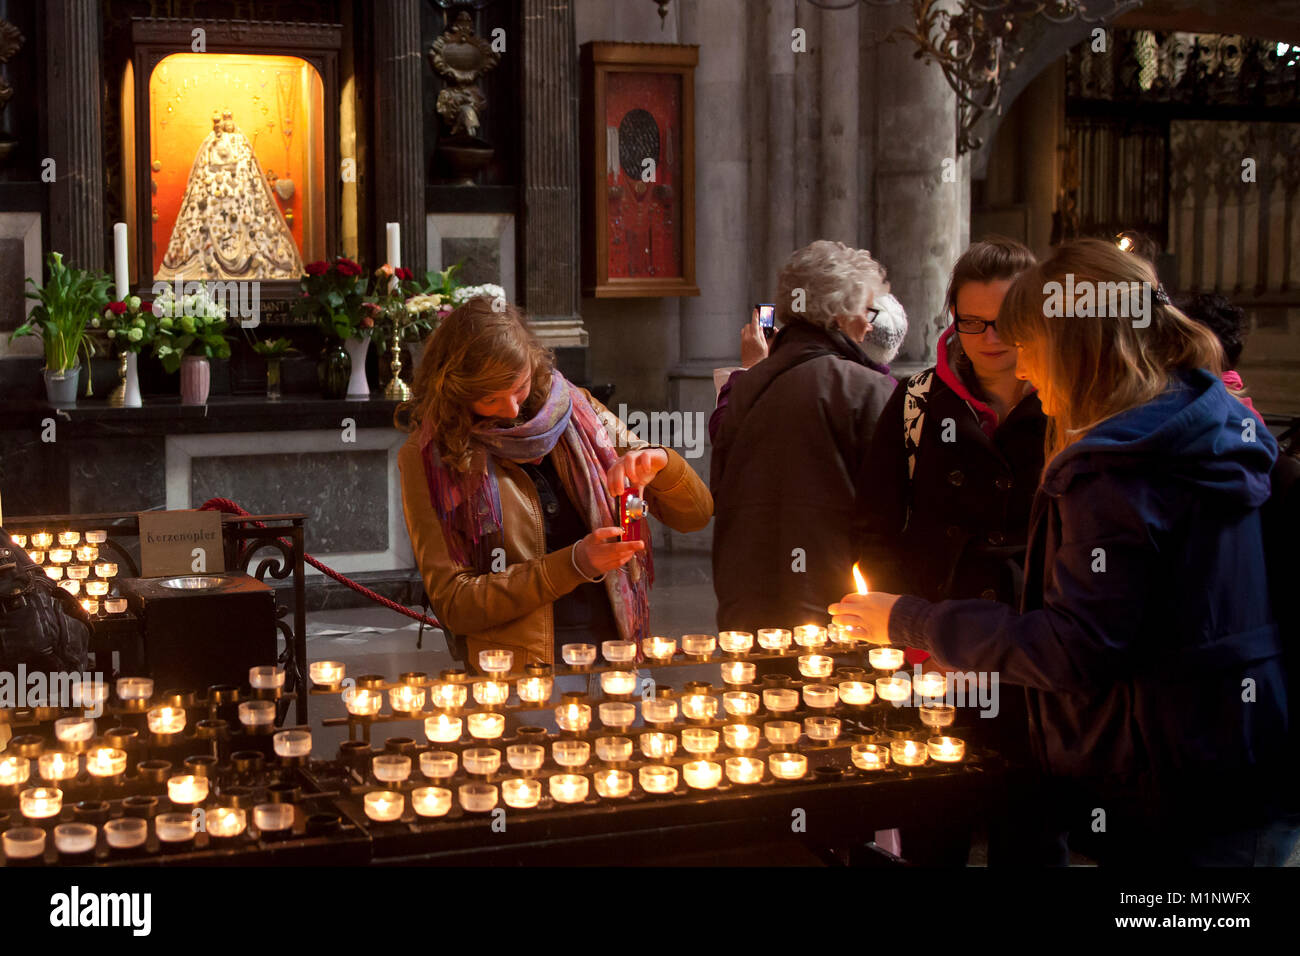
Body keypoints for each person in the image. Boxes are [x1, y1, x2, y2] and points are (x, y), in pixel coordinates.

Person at [832, 238, 1294, 866]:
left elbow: (1076, 648)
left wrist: (911, 620)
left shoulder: (1115, 469)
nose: (1021, 369)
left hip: (1170, 778)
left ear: (1076, 347)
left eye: (1029, 348)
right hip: (1232, 755)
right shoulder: (1198, 421)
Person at [397, 298, 713, 671]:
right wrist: (573, 564)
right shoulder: (430, 456)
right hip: (519, 673)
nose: (512, 410)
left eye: (519, 387)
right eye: (489, 399)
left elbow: (697, 515)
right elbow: (455, 603)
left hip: (615, 655)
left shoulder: (575, 410)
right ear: (455, 391)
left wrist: (661, 465)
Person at [855, 237, 1042, 864]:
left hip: (1035, 647)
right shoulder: (915, 403)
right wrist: (904, 636)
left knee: (1032, 829)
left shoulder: (1069, 403)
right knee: (936, 825)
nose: (991, 338)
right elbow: (876, 530)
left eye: (1009, 322)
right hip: (935, 646)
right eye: (972, 323)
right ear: (951, 318)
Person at [710, 240, 899, 633]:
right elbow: (889, 513)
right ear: (838, 313)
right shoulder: (867, 390)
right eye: (867, 310)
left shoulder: (745, 385)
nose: (869, 324)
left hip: (748, 609)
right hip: (841, 614)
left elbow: (722, 492)